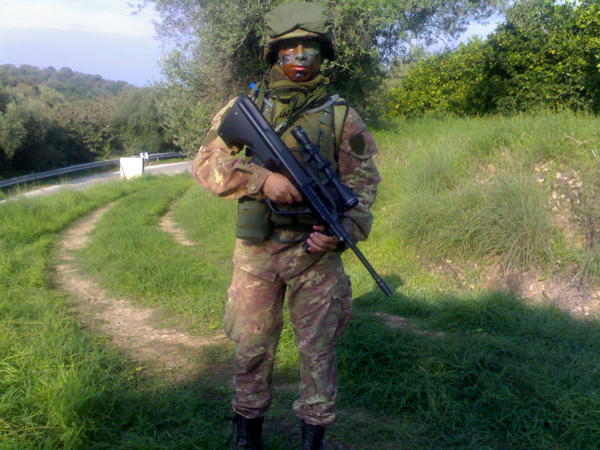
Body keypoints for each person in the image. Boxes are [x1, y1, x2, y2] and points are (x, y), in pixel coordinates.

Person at [192, 2, 381, 449]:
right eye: (289, 47)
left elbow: (363, 185)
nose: (299, 56)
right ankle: (247, 436)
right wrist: (262, 180)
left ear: (323, 53)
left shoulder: (341, 116)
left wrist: (341, 234)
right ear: (274, 52)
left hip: (316, 258)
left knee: (318, 353)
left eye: (309, 47)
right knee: (251, 349)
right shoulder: (244, 109)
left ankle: (313, 438)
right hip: (257, 254)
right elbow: (205, 165)